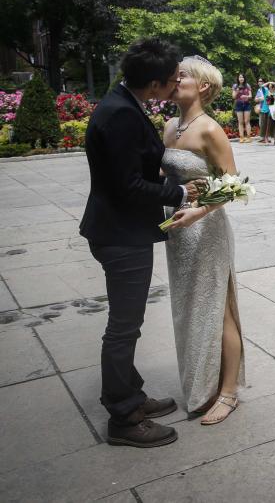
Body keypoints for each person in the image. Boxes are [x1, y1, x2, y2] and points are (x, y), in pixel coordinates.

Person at [79, 37, 201, 448]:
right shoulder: (120, 115)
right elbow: (128, 186)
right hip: (120, 234)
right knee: (124, 327)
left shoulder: (122, 103)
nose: (172, 89)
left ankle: (131, 393)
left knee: (127, 324)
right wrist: (181, 194)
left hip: (120, 230)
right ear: (155, 84)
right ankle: (124, 415)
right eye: (170, 82)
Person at [161, 56, 245, 425]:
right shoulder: (168, 127)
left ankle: (227, 393)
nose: (174, 80)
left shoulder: (210, 129)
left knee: (218, 309)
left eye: (183, 76)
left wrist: (198, 210)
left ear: (205, 87)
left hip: (206, 229)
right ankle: (202, 384)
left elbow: (235, 185)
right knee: (188, 308)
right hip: (178, 231)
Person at [232, 73, 252, 142]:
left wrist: (246, 97)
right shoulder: (235, 86)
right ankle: (241, 137)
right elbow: (233, 97)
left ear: (244, 78)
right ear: (238, 78)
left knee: (247, 121)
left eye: (242, 77)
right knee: (240, 122)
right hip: (238, 104)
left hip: (247, 104)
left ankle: (249, 137)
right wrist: (237, 91)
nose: (241, 78)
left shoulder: (247, 85)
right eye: (240, 77)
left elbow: (250, 96)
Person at [254, 77, 268, 143]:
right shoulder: (258, 90)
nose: (260, 82)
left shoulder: (266, 89)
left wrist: (262, 98)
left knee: (266, 123)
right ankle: (263, 137)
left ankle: (266, 138)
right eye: (259, 81)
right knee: (261, 123)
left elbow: (268, 98)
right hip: (261, 108)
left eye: (261, 81)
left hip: (266, 108)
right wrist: (259, 99)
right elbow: (255, 99)